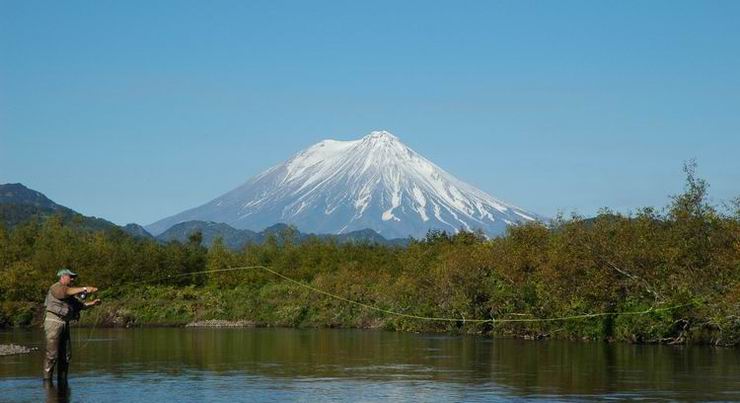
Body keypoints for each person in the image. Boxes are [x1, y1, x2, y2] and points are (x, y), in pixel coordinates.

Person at [43, 268, 101, 382]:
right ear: (63, 277)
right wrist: (85, 289)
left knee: (65, 355)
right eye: (71, 277)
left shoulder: (70, 294)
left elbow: (80, 306)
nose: (73, 279)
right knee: (52, 355)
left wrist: (93, 304)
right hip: (53, 323)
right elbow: (64, 292)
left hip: (64, 323)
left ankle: (62, 381)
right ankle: (47, 382)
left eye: (73, 277)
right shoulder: (56, 287)